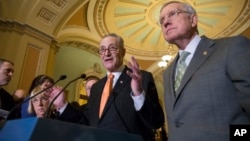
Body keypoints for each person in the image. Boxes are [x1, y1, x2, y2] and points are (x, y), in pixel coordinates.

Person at [159, 1, 250, 141]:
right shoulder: (167, 72)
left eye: (172, 14)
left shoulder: (231, 47)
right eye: (162, 20)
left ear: (193, 19)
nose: (165, 22)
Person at [55, 33, 165, 141]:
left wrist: (138, 93)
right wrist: (63, 105)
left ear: (123, 52)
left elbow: (156, 121)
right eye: (102, 50)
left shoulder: (141, 77)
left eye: (112, 48)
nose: (106, 53)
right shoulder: (96, 87)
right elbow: (85, 122)